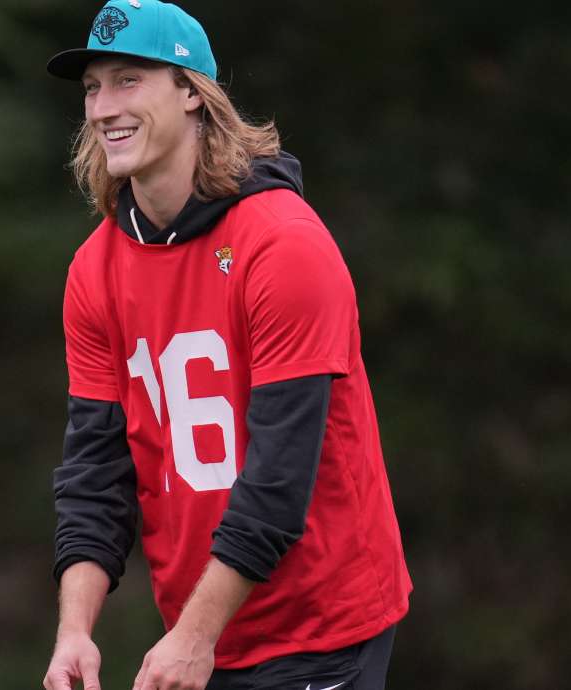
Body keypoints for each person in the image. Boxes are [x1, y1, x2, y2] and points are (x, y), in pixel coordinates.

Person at [42, 2, 411, 689]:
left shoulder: (283, 246)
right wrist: (74, 633)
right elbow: (96, 475)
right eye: (93, 86)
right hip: (205, 635)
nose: (102, 107)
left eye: (129, 80)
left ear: (192, 93)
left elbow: (278, 479)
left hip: (318, 627)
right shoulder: (94, 271)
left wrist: (193, 635)